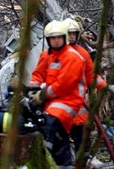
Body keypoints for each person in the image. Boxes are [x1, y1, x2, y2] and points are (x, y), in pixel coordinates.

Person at [29, 19, 85, 167]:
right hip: (52, 100)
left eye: (58, 37)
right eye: (52, 38)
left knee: (50, 125)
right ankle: (62, 164)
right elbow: (38, 74)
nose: (55, 41)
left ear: (64, 38)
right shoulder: (48, 55)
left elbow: (62, 85)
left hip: (68, 101)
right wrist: (32, 90)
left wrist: (41, 95)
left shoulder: (72, 57)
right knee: (57, 135)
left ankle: (45, 159)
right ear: (48, 40)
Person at [64, 17, 108, 164]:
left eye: (74, 33)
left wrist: (105, 86)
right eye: (69, 33)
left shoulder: (83, 53)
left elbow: (92, 76)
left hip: (79, 112)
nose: (71, 36)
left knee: (82, 148)